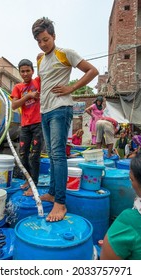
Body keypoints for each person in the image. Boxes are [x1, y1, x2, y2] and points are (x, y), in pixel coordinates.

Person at [32, 17, 98, 222]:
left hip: (61, 109)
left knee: (59, 155)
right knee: (51, 155)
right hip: (45, 111)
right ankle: (52, 192)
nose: (43, 44)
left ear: (53, 36)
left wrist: (71, 88)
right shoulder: (40, 59)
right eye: (39, 41)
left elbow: (92, 71)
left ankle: (60, 203)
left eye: (46, 39)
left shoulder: (65, 53)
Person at [11, 59, 42, 191]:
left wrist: (39, 58)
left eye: (27, 71)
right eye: (22, 71)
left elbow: (43, 62)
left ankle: (34, 183)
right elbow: (14, 105)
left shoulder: (38, 81)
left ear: (32, 71)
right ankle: (28, 180)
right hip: (25, 126)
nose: (25, 74)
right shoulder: (18, 87)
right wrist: (28, 95)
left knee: (34, 155)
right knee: (22, 155)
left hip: (38, 124)